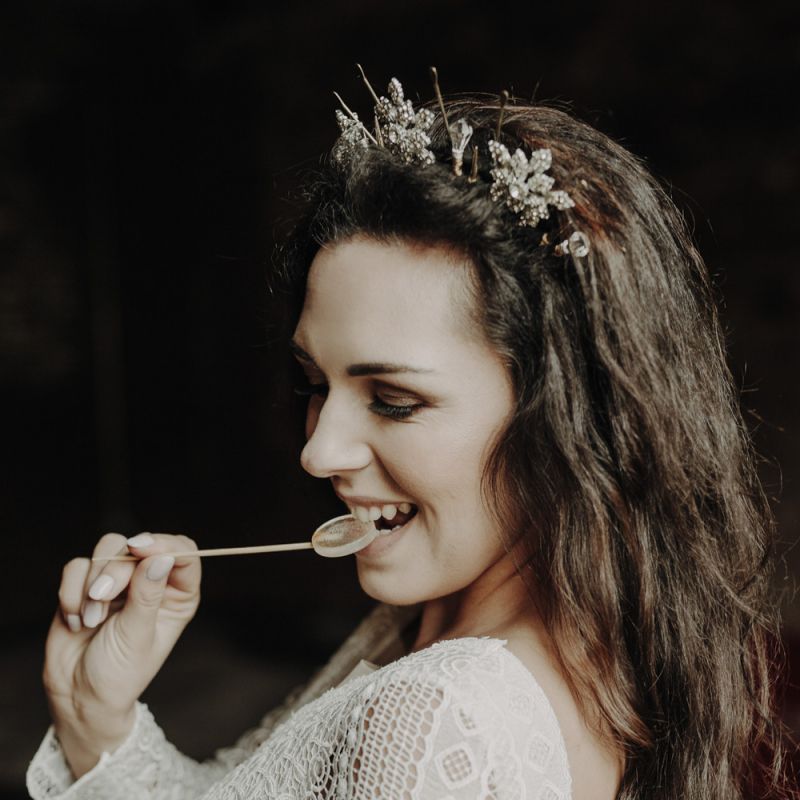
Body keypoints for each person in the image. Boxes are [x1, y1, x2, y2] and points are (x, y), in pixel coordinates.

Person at [27, 72, 796, 800]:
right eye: (314, 385)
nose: (318, 452)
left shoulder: (436, 717)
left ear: (565, 417)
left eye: (393, 400)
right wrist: (94, 711)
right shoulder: (431, 628)